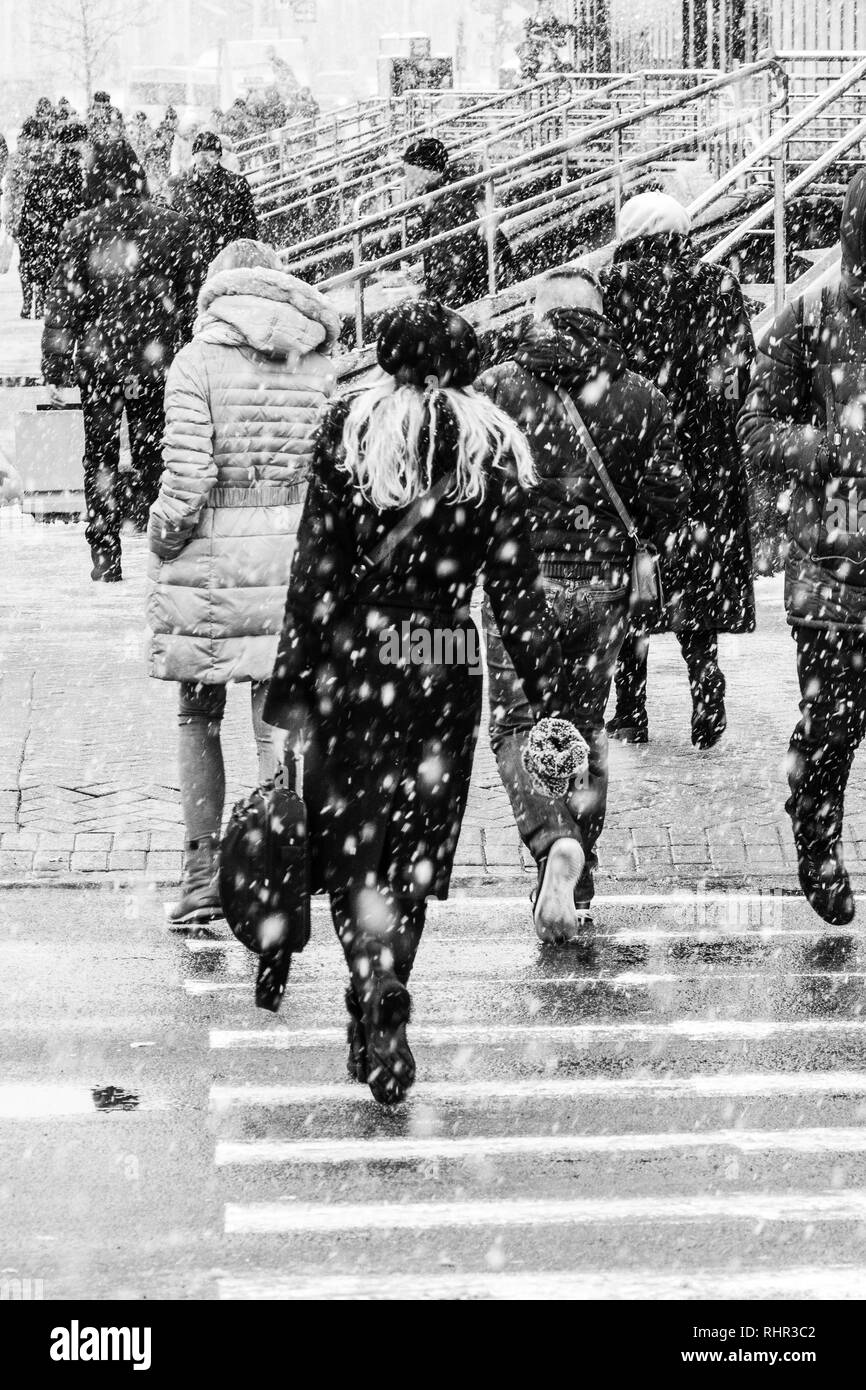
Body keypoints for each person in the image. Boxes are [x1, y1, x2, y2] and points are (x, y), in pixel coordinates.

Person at [264, 298, 575, 1103]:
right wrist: (549, 691)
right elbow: (515, 586)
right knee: (416, 846)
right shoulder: (488, 443)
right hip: (443, 662)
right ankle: (393, 969)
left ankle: (369, 978)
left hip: (355, 663)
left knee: (349, 848)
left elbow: (314, 575)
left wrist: (292, 693)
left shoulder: (348, 431)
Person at [478, 268, 689, 935]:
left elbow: (467, 484)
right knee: (580, 725)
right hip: (604, 583)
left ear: (539, 314)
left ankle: (554, 845)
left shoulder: (496, 388)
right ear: (598, 315)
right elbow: (671, 494)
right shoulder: (640, 394)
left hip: (522, 577)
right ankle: (581, 875)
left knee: (518, 724)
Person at [146, 238, 338, 924]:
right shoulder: (315, 360)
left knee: (198, 715)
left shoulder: (196, 362)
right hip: (290, 563)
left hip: (211, 566)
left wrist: (163, 535)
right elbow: (330, 473)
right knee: (277, 718)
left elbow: (188, 480)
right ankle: (279, 863)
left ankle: (201, 878)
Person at [737, 169, 866, 927]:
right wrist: (834, 444)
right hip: (835, 574)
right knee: (835, 723)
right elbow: (756, 430)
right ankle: (817, 828)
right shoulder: (811, 315)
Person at [603, 191, 756, 748]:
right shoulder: (718, 283)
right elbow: (740, 374)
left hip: (637, 455)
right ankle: (707, 692)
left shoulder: (612, 288)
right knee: (698, 576)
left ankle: (630, 709)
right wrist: (716, 413)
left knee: (635, 579)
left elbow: (608, 375)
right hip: (707, 459)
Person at [42, 150, 196, 582]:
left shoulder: (80, 228)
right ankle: (164, 546)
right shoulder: (173, 227)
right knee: (158, 454)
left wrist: (56, 366)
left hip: (102, 361)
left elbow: (63, 303)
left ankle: (105, 552)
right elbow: (190, 301)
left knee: (102, 458)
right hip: (155, 361)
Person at [402, 136, 511, 307]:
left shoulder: (447, 209)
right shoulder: (456, 194)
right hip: (483, 287)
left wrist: (440, 310)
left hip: (474, 297)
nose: (407, 183)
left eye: (411, 176)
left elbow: (451, 276)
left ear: (430, 173)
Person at [169, 131, 258, 297]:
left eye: (211, 155)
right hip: (193, 263)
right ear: (194, 155)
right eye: (201, 155)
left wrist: (246, 258)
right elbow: (173, 225)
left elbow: (249, 225)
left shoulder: (236, 184)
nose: (205, 161)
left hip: (228, 262)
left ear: (219, 156)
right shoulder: (178, 184)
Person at [16, 121, 86, 319]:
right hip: (55, 222)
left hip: (44, 222)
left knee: (34, 261)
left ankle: (35, 300)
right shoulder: (75, 171)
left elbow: (28, 203)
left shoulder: (46, 171)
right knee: (48, 261)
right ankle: (40, 300)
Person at [4, 119, 45, 316]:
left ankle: (28, 301)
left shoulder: (17, 157)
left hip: (22, 215)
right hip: (43, 215)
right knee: (45, 258)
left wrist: (10, 219)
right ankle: (42, 300)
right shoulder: (46, 155)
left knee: (26, 259)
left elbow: (11, 192)